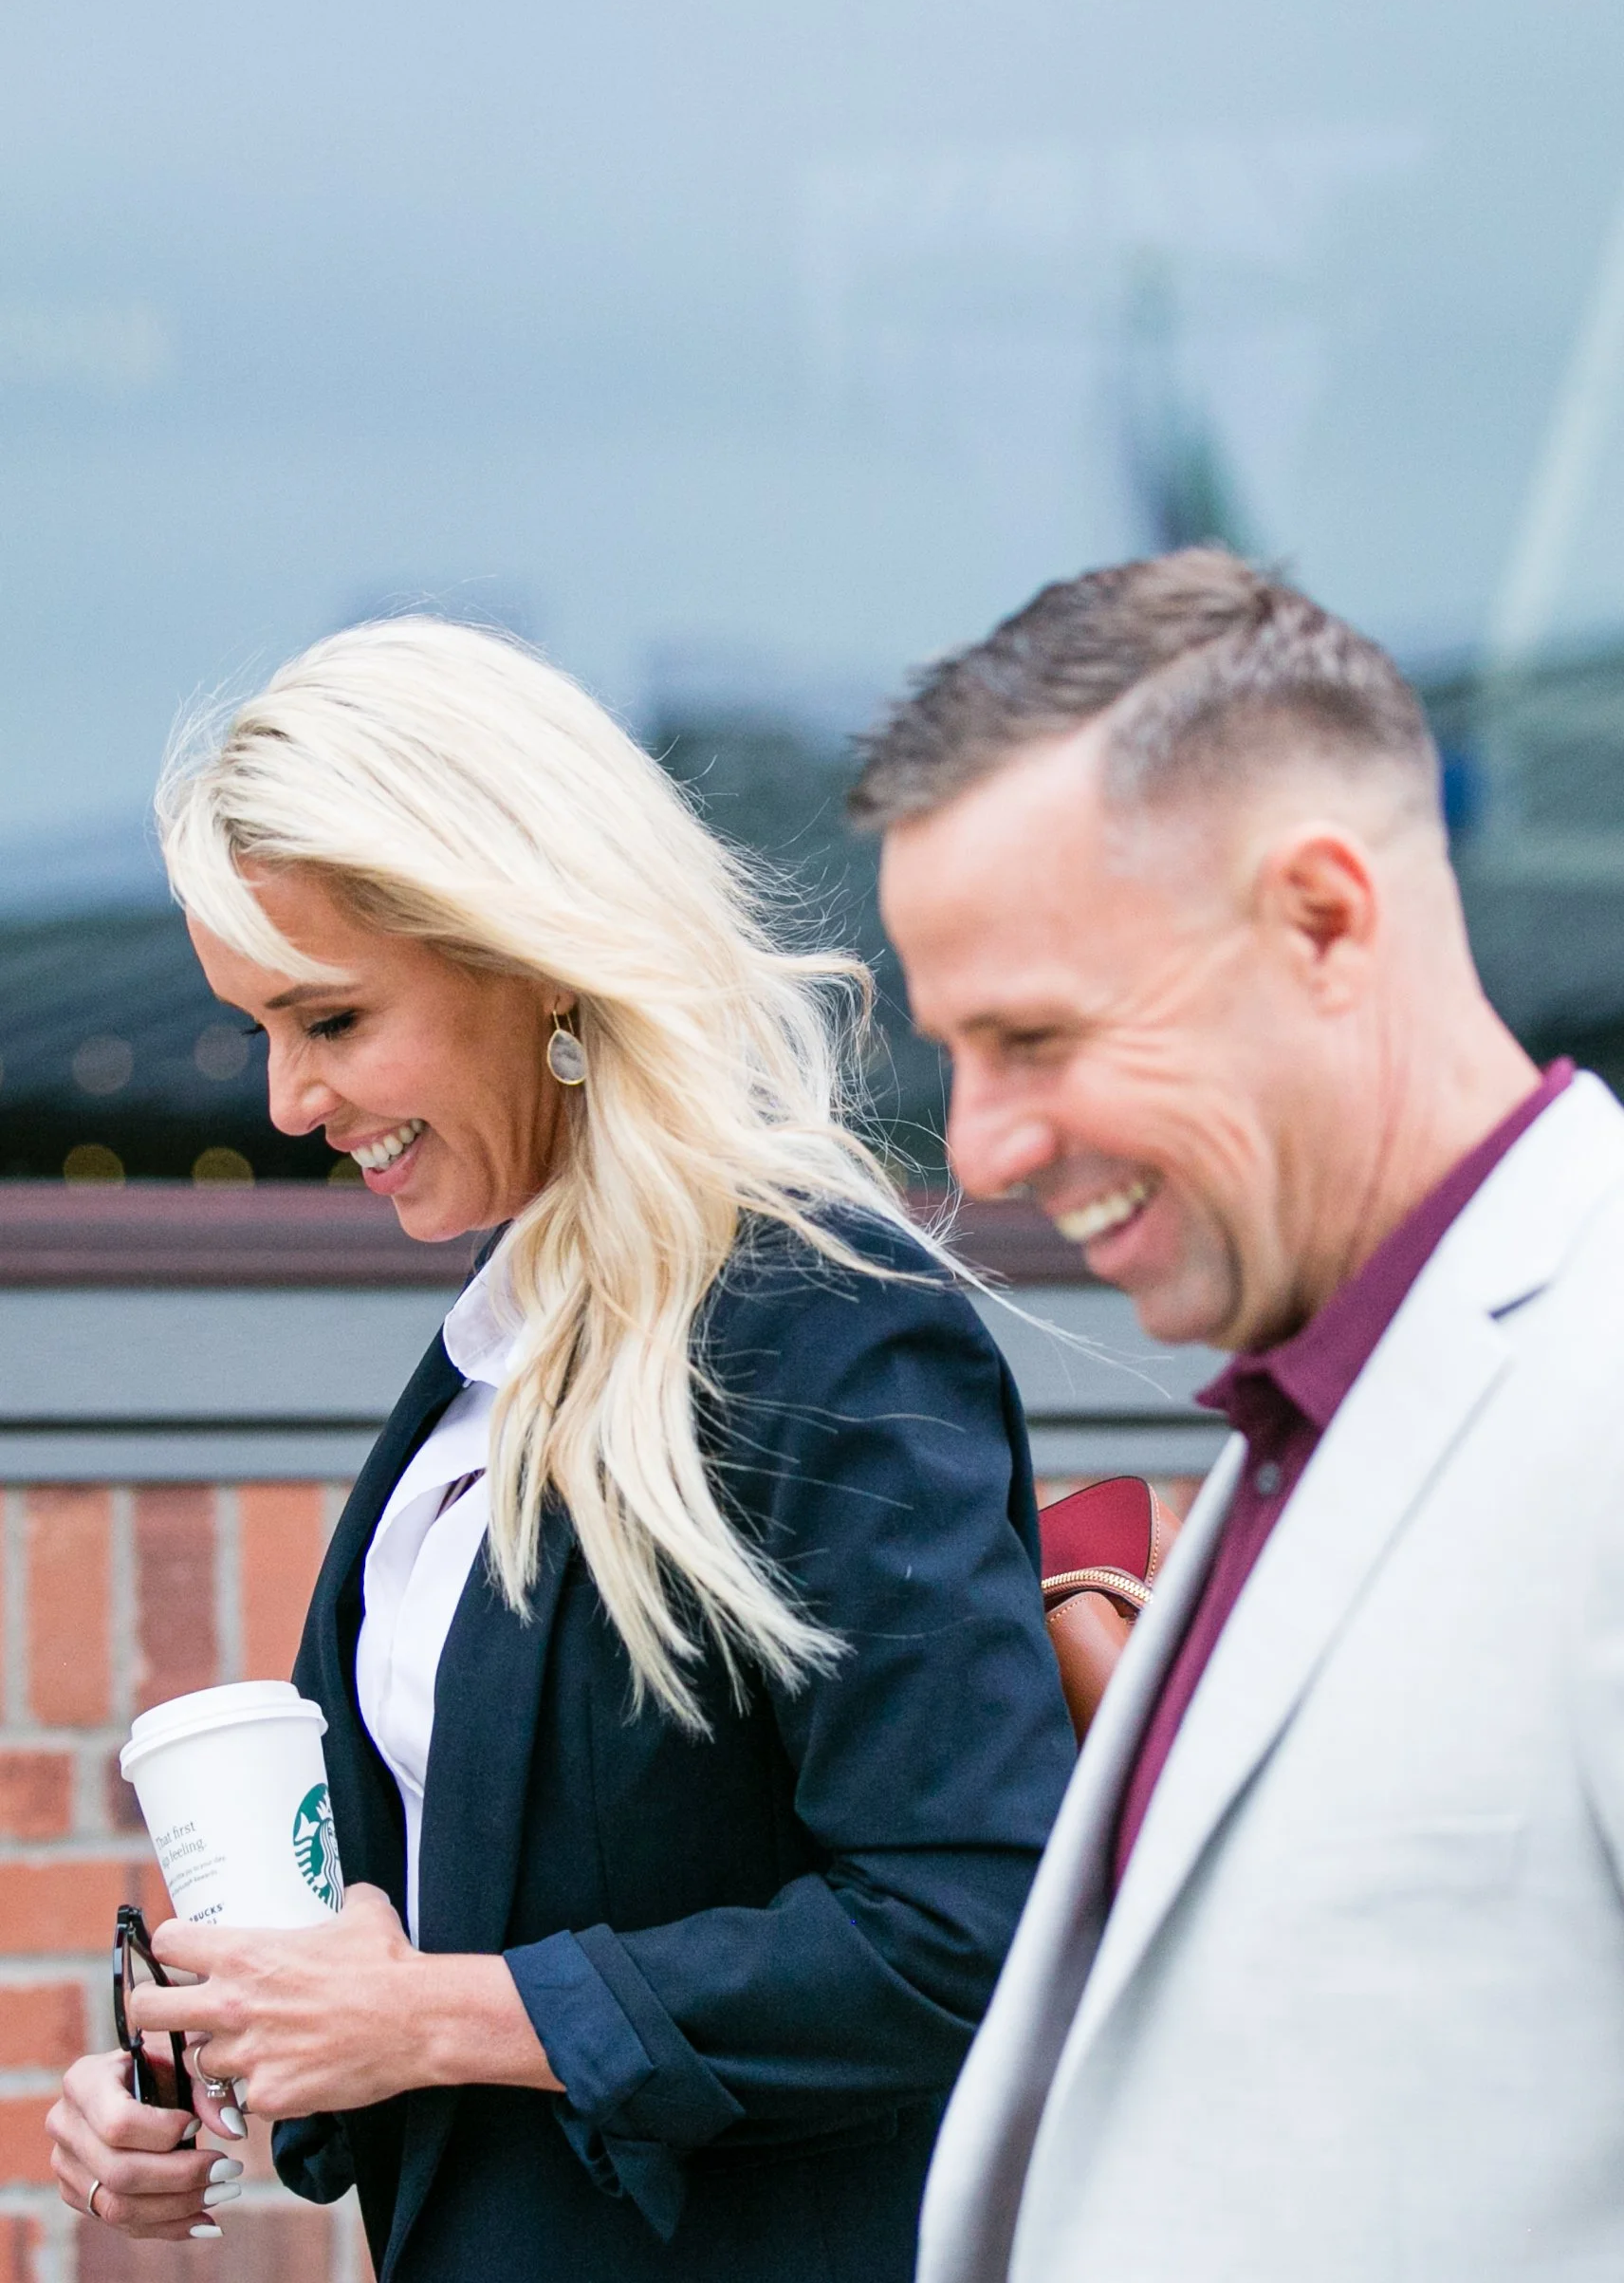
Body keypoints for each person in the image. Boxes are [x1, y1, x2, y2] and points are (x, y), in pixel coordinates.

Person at [46, 619, 1076, 2282]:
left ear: (531, 962)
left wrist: (435, 2019)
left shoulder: (823, 1330)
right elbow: (430, 1934)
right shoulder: (494, 1350)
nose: (288, 1101)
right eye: (258, 1031)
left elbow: (972, 1926)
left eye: (329, 1019)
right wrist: (202, 2071)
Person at [853, 546, 1624, 2283]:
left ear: (1327, 923)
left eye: (1037, 1037)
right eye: (957, 1056)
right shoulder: (1300, 1419)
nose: (976, 1148)